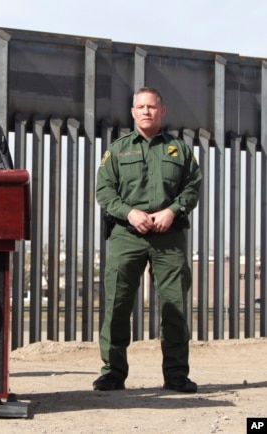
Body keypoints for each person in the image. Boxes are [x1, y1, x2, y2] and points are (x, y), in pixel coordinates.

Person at [94, 87, 203, 393]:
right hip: (126, 236)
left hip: (169, 237)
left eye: (152, 107)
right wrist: (129, 213)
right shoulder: (117, 150)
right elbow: (104, 191)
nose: (146, 111)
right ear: (132, 112)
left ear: (162, 111)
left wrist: (172, 210)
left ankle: (177, 374)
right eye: (140, 107)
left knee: (175, 306)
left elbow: (193, 186)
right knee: (116, 305)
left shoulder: (179, 150)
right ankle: (113, 373)